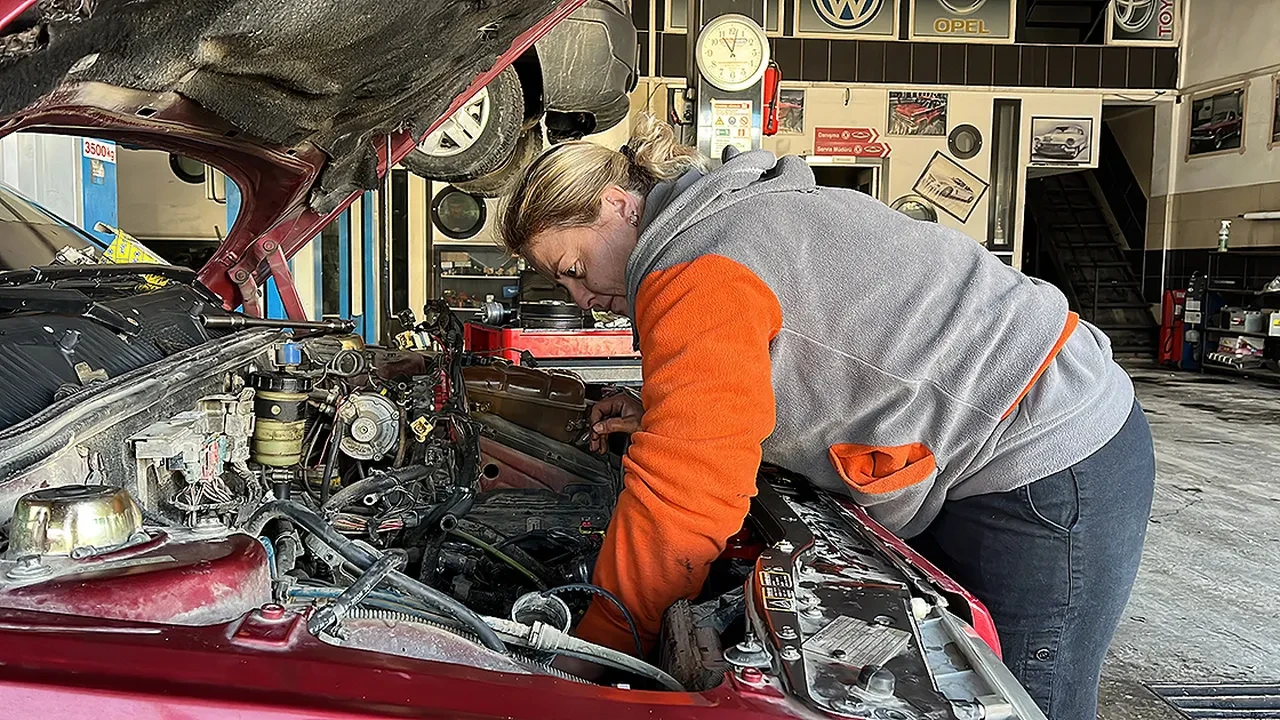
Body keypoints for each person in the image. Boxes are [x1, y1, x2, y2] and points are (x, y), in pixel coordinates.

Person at [498, 113, 1155, 720]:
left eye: (575, 268)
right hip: (1006, 429)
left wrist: (597, 648)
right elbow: (786, 351)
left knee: (1023, 701)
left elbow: (684, 500)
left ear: (617, 204)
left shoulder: (695, 268)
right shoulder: (725, 220)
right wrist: (664, 412)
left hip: (1046, 454)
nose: (581, 299)